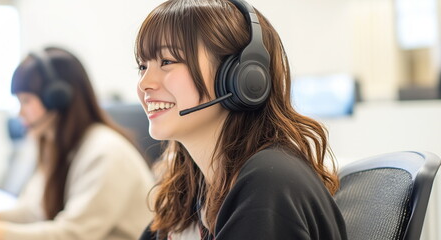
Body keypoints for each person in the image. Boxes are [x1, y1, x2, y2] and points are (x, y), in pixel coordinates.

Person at [135, 0, 347, 239]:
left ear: (239, 77)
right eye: (142, 66)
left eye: (167, 61)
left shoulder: (268, 182)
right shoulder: (192, 192)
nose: (144, 83)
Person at [0, 47, 155, 240]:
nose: (20, 113)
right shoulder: (57, 146)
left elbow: (72, 234)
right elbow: (32, 211)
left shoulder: (105, 151)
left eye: (26, 100)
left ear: (58, 98)